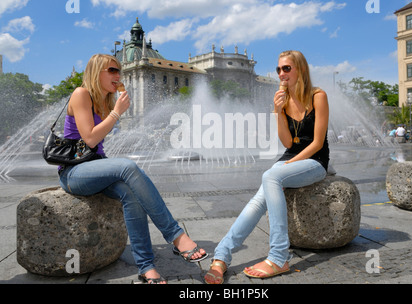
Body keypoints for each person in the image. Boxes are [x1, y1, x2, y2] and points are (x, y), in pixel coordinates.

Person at [58, 54, 208, 284]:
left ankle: (146, 266)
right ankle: (176, 235)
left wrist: (114, 107)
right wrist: (117, 112)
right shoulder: (81, 94)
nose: (118, 76)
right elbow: (89, 139)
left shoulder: (104, 100)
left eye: (119, 71)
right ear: (96, 72)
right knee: (128, 166)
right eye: (112, 71)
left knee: (132, 195)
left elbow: (98, 145)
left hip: (96, 168)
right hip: (74, 173)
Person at [204, 50, 329, 284]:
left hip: (315, 161)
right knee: (258, 200)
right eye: (279, 69)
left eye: (287, 68)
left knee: (271, 176)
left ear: (300, 69)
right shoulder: (283, 98)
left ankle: (279, 256)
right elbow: (287, 142)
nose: (281, 73)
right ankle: (221, 256)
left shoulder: (317, 96)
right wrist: (277, 111)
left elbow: (317, 143)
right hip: (289, 159)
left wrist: (286, 167)